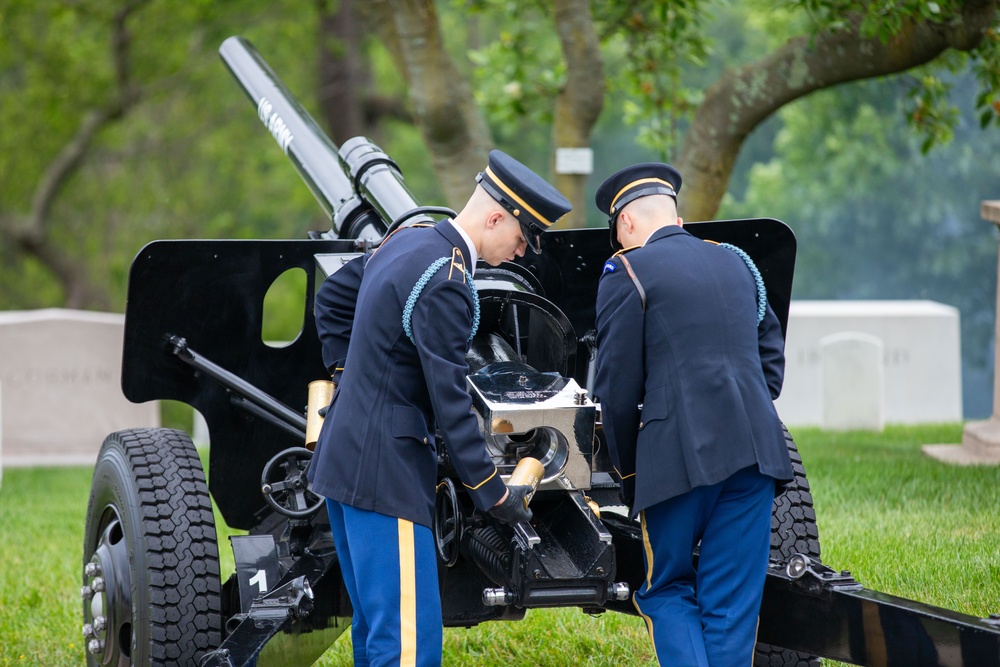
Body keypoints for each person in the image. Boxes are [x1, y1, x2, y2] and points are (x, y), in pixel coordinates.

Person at [308, 150, 571, 667]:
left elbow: (335, 297)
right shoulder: (447, 281)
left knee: (377, 634)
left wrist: (348, 379)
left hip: (345, 458)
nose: (520, 254)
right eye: (520, 239)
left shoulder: (409, 241)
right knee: (408, 647)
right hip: (385, 473)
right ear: (496, 217)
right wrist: (494, 494)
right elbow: (451, 403)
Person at [592, 162, 793, 667]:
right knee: (730, 604)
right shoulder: (736, 262)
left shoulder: (627, 270)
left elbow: (616, 391)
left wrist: (625, 472)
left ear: (627, 225)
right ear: (676, 217)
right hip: (755, 454)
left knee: (664, 590)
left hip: (676, 460)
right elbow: (771, 357)